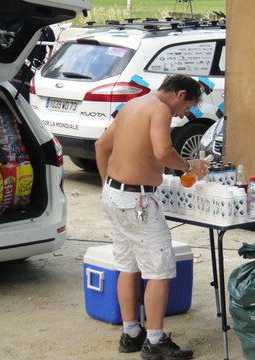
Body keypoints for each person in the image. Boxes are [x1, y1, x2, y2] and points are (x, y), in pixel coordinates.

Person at [95, 74, 209, 359]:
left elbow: (101, 145)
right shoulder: (159, 109)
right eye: (187, 107)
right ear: (180, 94)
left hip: (114, 193)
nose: (183, 114)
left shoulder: (134, 103)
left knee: (128, 264)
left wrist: (105, 184)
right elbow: (163, 151)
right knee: (159, 269)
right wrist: (189, 167)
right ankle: (155, 340)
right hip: (138, 200)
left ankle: (131, 332)